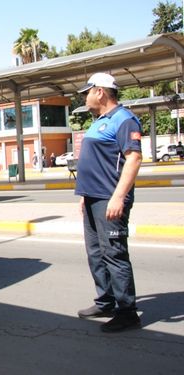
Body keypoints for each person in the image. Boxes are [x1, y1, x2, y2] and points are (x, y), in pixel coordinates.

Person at [75, 72, 143, 333]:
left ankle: (127, 312)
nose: (85, 97)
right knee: (96, 253)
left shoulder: (124, 119)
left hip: (109, 199)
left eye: (87, 92)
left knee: (114, 254)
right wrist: (84, 196)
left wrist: (118, 197)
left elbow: (134, 159)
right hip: (93, 199)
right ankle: (105, 300)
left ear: (100, 91)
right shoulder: (99, 121)